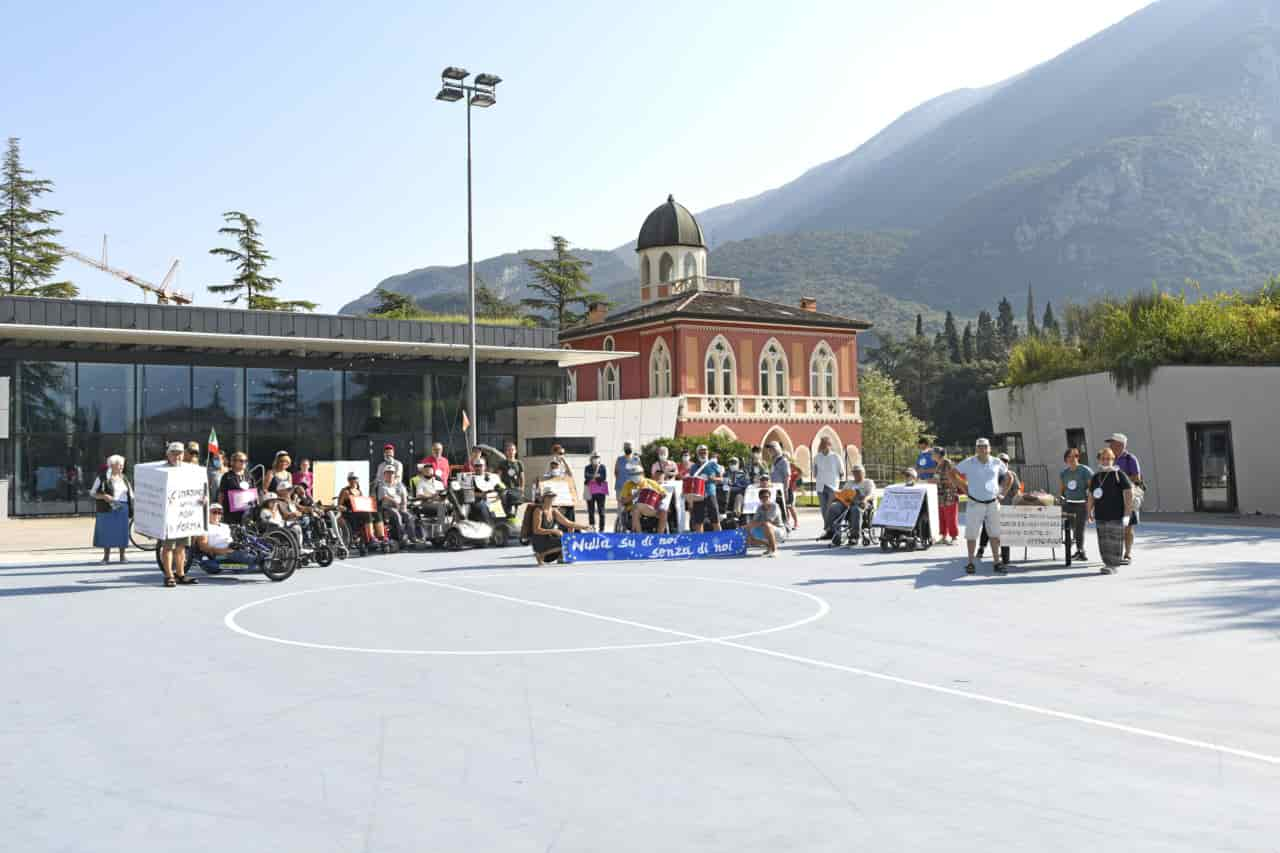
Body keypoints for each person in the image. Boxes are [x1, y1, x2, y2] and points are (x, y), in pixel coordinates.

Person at [950, 437, 1010, 575]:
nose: (983, 449)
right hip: (975, 503)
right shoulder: (969, 462)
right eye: (980, 446)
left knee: (995, 534)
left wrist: (1002, 493)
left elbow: (1009, 477)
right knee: (972, 534)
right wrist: (963, 487)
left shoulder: (997, 462)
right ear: (976, 448)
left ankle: (996, 562)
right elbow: (952, 473)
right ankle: (970, 562)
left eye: (985, 446)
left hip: (993, 503)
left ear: (989, 448)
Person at [1088, 446, 1134, 574]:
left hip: (1116, 514)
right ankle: (1107, 563)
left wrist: (1127, 514)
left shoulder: (1119, 474)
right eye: (1103, 458)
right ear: (1099, 460)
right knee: (1103, 540)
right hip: (1101, 514)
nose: (1106, 461)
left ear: (1113, 459)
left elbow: (1128, 494)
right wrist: (1089, 511)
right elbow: (1091, 495)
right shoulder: (1096, 476)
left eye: (1109, 458)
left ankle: (1113, 565)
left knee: (1115, 540)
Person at [157, 442, 198, 587]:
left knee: (181, 547)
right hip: (168, 516)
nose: (177, 456)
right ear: (168, 454)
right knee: (168, 547)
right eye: (173, 453)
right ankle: (168, 576)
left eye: (179, 453)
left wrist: (202, 497)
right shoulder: (160, 470)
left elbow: (196, 488)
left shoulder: (189, 470)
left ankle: (180, 574)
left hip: (184, 514)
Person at [529, 487, 589, 565]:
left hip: (549, 539)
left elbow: (568, 523)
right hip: (540, 541)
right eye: (549, 496)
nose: (551, 498)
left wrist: (584, 527)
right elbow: (536, 530)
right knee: (564, 541)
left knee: (570, 534)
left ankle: (561, 556)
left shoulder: (553, 510)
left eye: (553, 496)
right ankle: (541, 555)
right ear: (543, 498)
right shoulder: (538, 511)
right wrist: (553, 531)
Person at [1107, 433, 1142, 565]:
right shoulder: (1109, 458)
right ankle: (1116, 553)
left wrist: (1120, 480)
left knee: (1128, 527)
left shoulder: (1130, 459)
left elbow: (1136, 478)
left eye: (1112, 443)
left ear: (1120, 445)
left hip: (1128, 497)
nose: (1109, 445)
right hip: (1113, 498)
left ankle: (1127, 554)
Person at [90, 454, 132, 564]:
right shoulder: (102, 478)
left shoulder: (125, 478)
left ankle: (122, 556)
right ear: (112, 465)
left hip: (123, 507)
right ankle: (106, 557)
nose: (121, 467)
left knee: (122, 532)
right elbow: (92, 493)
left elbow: (131, 494)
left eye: (122, 465)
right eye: (119, 465)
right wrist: (104, 496)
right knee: (107, 532)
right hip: (107, 508)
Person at [978, 453, 1019, 565]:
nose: (1003, 463)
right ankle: (981, 547)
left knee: (1004, 531)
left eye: (1005, 461)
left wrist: (1011, 498)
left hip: (1006, 507)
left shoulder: (1012, 475)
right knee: (987, 528)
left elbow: (1016, 490)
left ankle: (1005, 556)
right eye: (1001, 461)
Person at [193, 504, 258, 573]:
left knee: (252, 543)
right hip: (219, 553)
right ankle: (259, 560)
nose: (217, 515)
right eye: (214, 512)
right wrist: (223, 551)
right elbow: (204, 547)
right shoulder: (204, 527)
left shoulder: (225, 526)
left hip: (233, 548)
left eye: (219, 513)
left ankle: (259, 559)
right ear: (207, 514)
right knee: (251, 559)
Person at [821, 465, 875, 542]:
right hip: (847, 503)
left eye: (858, 472)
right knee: (833, 507)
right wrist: (836, 495)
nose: (856, 474)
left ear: (863, 473)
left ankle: (854, 536)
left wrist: (865, 500)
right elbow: (842, 493)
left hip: (861, 503)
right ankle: (832, 532)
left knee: (855, 510)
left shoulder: (868, 482)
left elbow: (871, 494)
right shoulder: (849, 483)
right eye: (854, 472)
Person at [1060, 447, 1093, 562]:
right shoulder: (1064, 473)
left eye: (1075, 456)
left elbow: (1092, 489)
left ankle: (1081, 551)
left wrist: (1090, 507)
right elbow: (1063, 490)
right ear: (1066, 459)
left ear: (1078, 457)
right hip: (1069, 504)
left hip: (1081, 504)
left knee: (1079, 529)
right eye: (1069, 456)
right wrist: (1062, 499)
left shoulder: (1085, 470)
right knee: (1072, 528)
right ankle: (1078, 550)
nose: (1072, 458)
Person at [339, 472, 388, 549]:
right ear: (348, 480)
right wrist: (343, 508)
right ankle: (371, 537)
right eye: (351, 479)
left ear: (358, 480)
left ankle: (381, 536)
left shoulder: (359, 491)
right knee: (367, 514)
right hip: (350, 513)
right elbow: (339, 505)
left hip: (360, 511)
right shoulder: (345, 491)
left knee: (377, 513)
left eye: (355, 478)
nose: (353, 480)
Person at [619, 465, 669, 533]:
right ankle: (640, 535)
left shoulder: (650, 483)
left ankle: (660, 536)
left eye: (636, 474)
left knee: (664, 511)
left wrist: (659, 499)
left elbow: (664, 494)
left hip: (649, 508)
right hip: (632, 510)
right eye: (632, 474)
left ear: (642, 474)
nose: (634, 476)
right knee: (636, 508)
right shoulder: (627, 485)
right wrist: (635, 495)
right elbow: (623, 501)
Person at [377, 466, 420, 544]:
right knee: (397, 515)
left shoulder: (399, 484)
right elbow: (384, 497)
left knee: (409, 516)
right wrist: (395, 502)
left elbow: (404, 494)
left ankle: (412, 537)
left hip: (399, 506)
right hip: (387, 507)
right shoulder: (382, 484)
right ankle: (402, 538)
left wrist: (404, 505)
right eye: (388, 473)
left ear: (394, 475)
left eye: (392, 473)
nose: (390, 475)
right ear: (384, 475)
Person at [686, 444, 723, 533]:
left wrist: (712, 479)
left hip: (710, 493)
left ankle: (720, 541)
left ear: (707, 452)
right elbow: (691, 483)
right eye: (701, 452)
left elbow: (721, 479)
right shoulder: (693, 467)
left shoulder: (713, 464)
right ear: (697, 453)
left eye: (704, 451)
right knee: (698, 521)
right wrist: (690, 501)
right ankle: (700, 542)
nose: (703, 453)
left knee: (715, 519)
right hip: (698, 495)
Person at [812, 437, 845, 524]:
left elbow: (842, 472)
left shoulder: (836, 457)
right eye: (821, 444)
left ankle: (832, 527)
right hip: (820, 486)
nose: (823, 446)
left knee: (830, 508)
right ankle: (827, 527)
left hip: (832, 486)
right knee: (823, 509)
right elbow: (814, 473)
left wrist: (840, 486)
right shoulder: (816, 457)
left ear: (830, 445)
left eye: (825, 444)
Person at [218, 451, 257, 525]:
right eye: (241, 461)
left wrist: (255, 508)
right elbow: (221, 494)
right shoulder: (227, 476)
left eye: (246, 461)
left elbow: (254, 493)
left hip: (247, 512)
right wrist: (220, 509)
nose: (244, 463)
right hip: (231, 513)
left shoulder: (249, 476)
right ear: (233, 462)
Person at [745, 487, 785, 557]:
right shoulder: (759, 508)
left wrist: (756, 524)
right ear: (759, 498)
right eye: (762, 497)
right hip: (765, 529)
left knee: (767, 525)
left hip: (779, 532)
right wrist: (747, 526)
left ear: (770, 497)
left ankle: (774, 550)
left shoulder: (775, 506)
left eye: (766, 496)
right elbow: (754, 521)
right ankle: (768, 546)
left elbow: (769, 521)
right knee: (747, 530)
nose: (764, 498)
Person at [410, 459, 449, 528]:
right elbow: (419, 496)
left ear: (433, 471)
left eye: (430, 470)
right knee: (441, 507)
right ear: (423, 472)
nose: (428, 471)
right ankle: (440, 529)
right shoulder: (420, 483)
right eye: (426, 470)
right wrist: (432, 496)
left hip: (439, 503)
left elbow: (442, 495)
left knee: (449, 505)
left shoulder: (439, 483)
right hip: (427, 504)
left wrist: (435, 496)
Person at [933, 448, 960, 545]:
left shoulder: (947, 463)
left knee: (950, 516)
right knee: (942, 516)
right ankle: (943, 536)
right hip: (941, 495)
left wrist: (938, 481)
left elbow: (952, 479)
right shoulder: (939, 464)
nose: (932, 455)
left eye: (934, 453)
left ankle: (954, 537)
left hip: (949, 495)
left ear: (939, 454)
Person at [583, 453, 609, 532]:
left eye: (597, 457)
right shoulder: (587, 467)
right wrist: (596, 476)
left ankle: (602, 529)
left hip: (600, 491)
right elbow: (586, 477)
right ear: (591, 458)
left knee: (601, 511)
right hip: (590, 491)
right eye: (594, 457)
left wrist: (593, 477)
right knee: (591, 511)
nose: (595, 458)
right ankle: (592, 528)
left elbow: (603, 477)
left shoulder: (602, 467)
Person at [498, 442, 525, 517]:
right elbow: (499, 476)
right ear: (506, 452)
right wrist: (501, 488)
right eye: (508, 450)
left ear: (515, 451)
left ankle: (514, 520)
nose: (511, 452)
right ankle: (508, 517)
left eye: (512, 450)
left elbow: (522, 477)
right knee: (507, 508)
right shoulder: (502, 463)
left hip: (516, 489)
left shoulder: (519, 463)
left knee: (516, 509)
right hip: (506, 489)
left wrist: (522, 488)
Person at [614, 442, 635, 506]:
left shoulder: (636, 459)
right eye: (626, 448)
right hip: (620, 486)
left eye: (629, 448)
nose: (627, 449)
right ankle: (620, 516)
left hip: (632, 487)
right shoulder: (619, 459)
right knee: (620, 506)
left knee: (632, 506)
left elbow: (640, 472)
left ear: (632, 448)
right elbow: (616, 472)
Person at [785, 452, 801, 530]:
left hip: (790, 489)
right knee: (785, 507)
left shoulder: (791, 466)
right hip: (784, 489)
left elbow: (800, 472)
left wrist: (795, 481)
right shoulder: (782, 466)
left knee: (790, 507)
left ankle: (796, 522)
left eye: (785, 457)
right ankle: (787, 523)